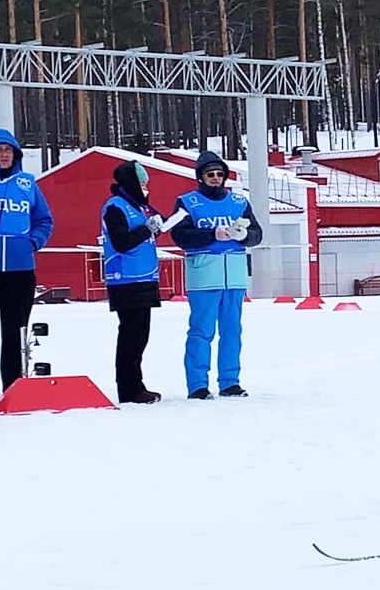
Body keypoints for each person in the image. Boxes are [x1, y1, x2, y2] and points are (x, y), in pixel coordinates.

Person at [167, 152, 263, 399]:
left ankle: (230, 381)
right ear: (201, 177)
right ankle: (198, 384)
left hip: (234, 273)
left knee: (232, 330)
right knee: (202, 330)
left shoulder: (239, 202)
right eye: (210, 174)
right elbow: (179, 236)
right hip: (204, 273)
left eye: (220, 174)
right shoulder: (187, 202)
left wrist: (244, 236)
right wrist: (212, 235)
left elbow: (257, 234)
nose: (216, 178)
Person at [0, 128, 54, 397]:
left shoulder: (27, 183)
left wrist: (32, 243)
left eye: (9, 150)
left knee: (15, 333)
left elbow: (44, 220)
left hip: (19, 272)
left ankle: (13, 390)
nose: (4, 154)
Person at [101, 161, 165, 403]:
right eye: (142, 183)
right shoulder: (115, 207)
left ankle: (137, 385)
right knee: (130, 334)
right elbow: (121, 242)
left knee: (141, 335)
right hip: (125, 279)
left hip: (144, 276)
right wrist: (147, 230)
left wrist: (156, 227)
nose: (145, 188)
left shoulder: (138, 207)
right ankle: (129, 389)